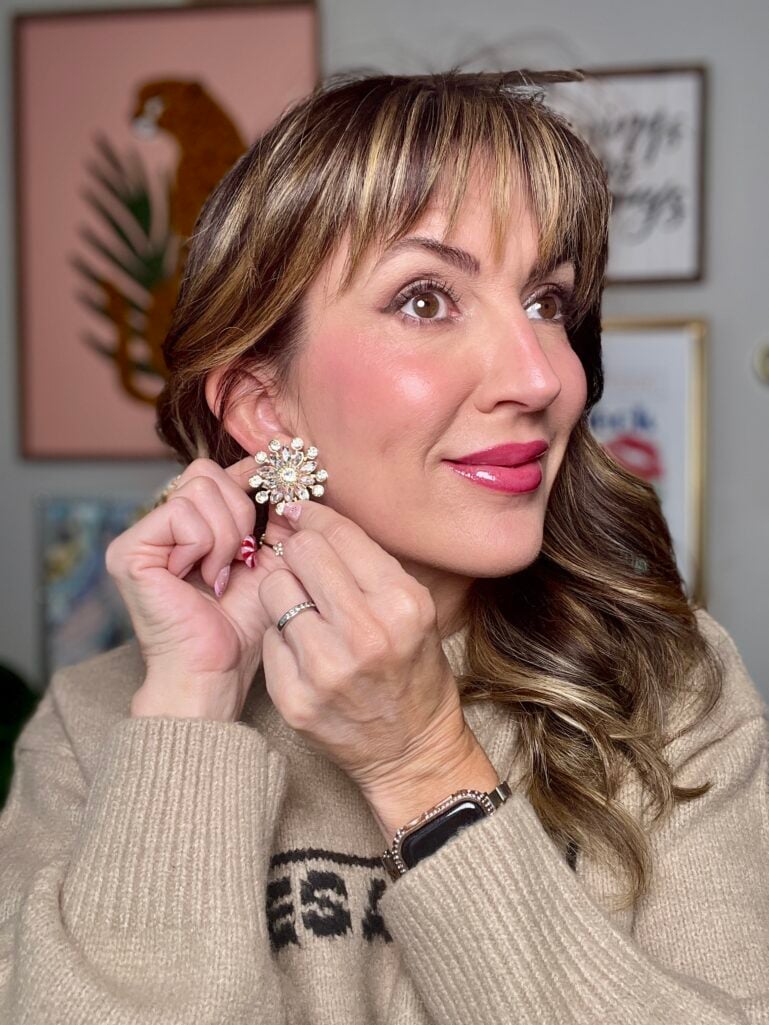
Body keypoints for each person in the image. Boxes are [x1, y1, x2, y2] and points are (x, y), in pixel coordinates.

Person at [1, 68, 767, 1025]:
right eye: (425, 301)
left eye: (546, 303)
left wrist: (422, 764)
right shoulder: (98, 723)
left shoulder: (675, 694)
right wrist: (188, 716)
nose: (538, 376)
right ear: (261, 405)